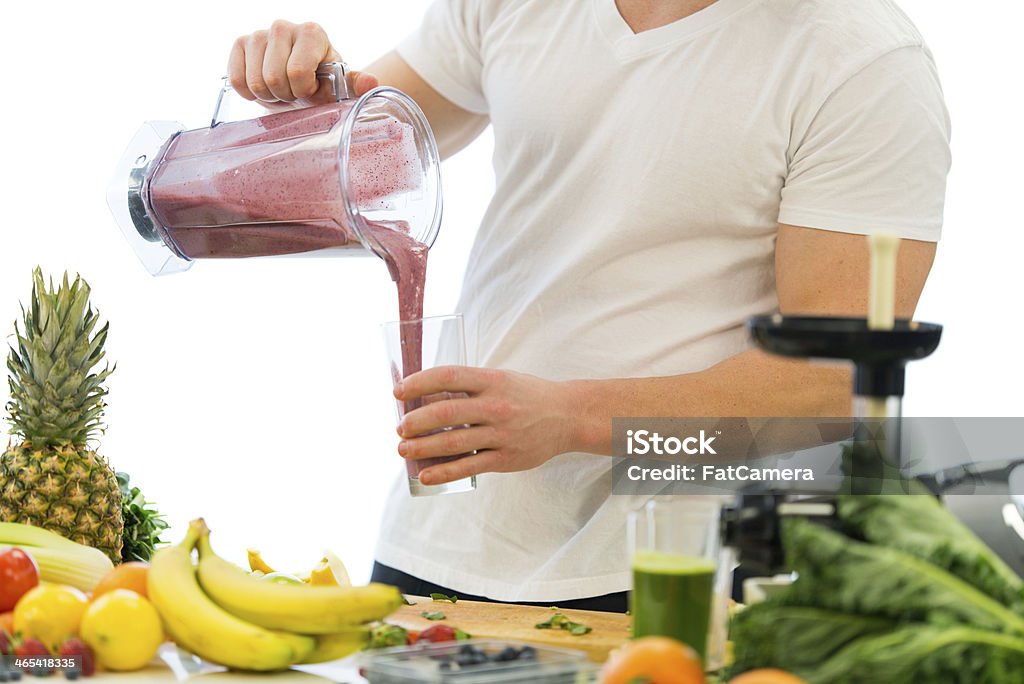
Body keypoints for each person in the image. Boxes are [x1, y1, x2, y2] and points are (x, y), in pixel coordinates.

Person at [229, 0, 950, 611]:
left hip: (670, 571)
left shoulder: (860, 59)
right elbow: (363, 155)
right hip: (442, 546)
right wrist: (306, 93)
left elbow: (828, 384)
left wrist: (569, 416)